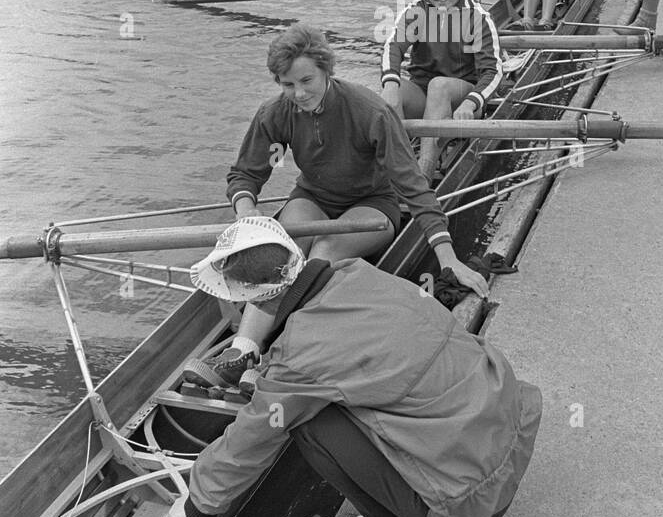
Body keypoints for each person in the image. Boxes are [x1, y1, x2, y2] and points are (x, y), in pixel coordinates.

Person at [169, 219, 542, 517]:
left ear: (248, 299)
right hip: (509, 433)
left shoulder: (299, 354)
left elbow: (253, 436)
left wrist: (200, 502)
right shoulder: (358, 273)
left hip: (469, 499)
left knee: (307, 421)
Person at [183, 24, 487, 394]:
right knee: (281, 254)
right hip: (313, 197)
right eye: (287, 85)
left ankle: (282, 357)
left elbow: (414, 187)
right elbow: (245, 174)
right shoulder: (276, 113)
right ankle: (243, 352)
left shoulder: (369, 110)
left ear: (327, 69)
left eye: (307, 80)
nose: (299, 93)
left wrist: (448, 258)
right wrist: (248, 216)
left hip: (373, 205)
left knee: (324, 249)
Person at [381, 0, 504, 182]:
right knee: (390, 91)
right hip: (422, 94)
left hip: (462, 99)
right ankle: (396, 165)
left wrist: (471, 103)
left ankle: (423, 174)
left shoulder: (477, 18)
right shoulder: (416, 11)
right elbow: (392, 47)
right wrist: (390, 85)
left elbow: (492, 72)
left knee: (439, 85)